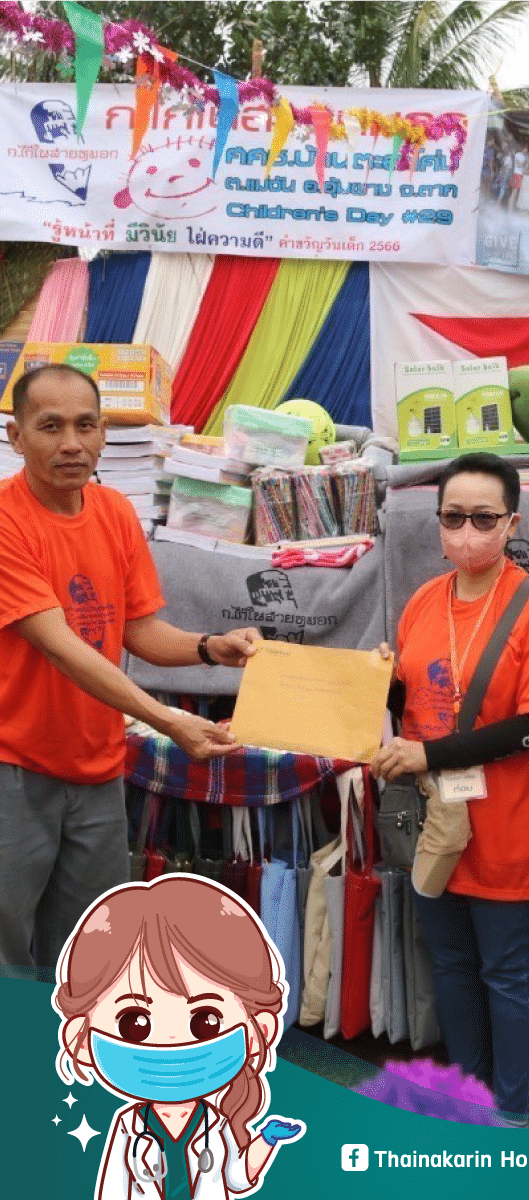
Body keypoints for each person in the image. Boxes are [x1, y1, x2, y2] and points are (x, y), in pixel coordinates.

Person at [0, 364, 260, 969]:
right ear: (16, 436)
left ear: (103, 434)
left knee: (85, 955)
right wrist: (168, 720)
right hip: (15, 767)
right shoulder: (7, 521)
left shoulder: (114, 511)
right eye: (51, 426)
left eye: (86, 425)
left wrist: (208, 647)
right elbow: (60, 646)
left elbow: (138, 629)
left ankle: (58, 1038)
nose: (72, 443)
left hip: (97, 769)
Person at [371, 452, 529, 1121]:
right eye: (453, 517)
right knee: (452, 966)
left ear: (513, 522)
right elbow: (411, 698)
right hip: (435, 822)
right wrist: (377, 682)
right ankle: (467, 1100)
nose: (466, 532)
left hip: (509, 822)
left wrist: (428, 753)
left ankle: (510, 1113)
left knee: (506, 970)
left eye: (483, 519)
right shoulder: (423, 602)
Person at [53, 875, 304, 1199]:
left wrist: (266, 1141)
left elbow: (236, 1178)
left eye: (206, 1022)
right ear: (82, 1039)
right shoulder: (129, 1126)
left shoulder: (215, 1124)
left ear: (258, 1033)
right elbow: (113, 1188)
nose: (171, 1040)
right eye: (135, 1025)